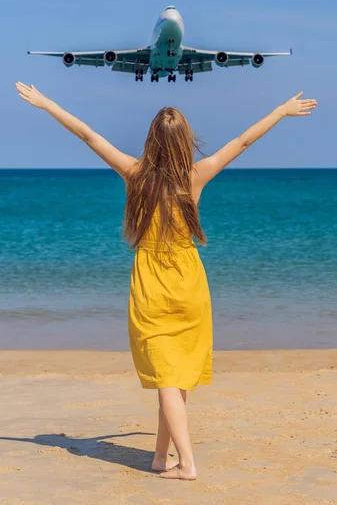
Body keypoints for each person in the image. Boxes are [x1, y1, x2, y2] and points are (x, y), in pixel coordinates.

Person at [15, 82, 317, 480]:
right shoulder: (197, 175)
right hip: (189, 280)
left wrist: (47, 103)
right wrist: (281, 110)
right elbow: (242, 141)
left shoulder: (134, 172)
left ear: (152, 141)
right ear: (185, 142)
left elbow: (87, 134)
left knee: (166, 375)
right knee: (172, 376)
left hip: (152, 284)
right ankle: (161, 458)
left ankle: (187, 464)